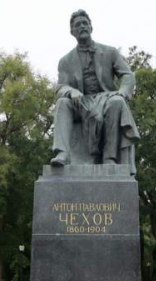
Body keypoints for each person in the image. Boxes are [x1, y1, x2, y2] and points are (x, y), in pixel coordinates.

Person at [50, 9, 139, 169]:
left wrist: (123, 92)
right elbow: (60, 87)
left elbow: (127, 76)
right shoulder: (65, 61)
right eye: (78, 25)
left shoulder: (110, 52)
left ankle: (109, 158)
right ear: (72, 32)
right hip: (81, 103)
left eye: (85, 23)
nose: (82, 26)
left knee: (117, 102)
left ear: (91, 27)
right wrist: (71, 91)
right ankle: (62, 153)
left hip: (105, 99)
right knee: (62, 103)